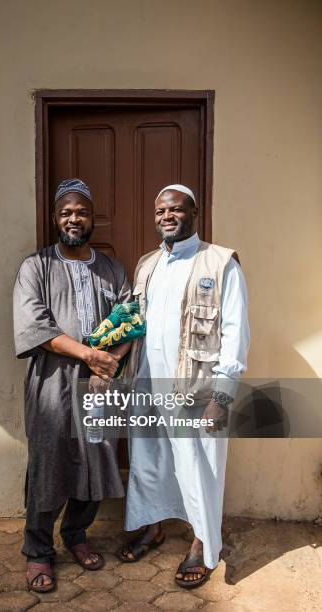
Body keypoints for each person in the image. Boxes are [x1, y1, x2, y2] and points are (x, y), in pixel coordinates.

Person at [120, 184, 250, 588]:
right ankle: (153, 527)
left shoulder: (220, 262)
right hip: (148, 384)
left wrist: (223, 397)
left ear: (194, 213)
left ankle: (201, 545)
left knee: (200, 470)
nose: (166, 217)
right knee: (150, 462)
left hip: (198, 390)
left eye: (175, 210)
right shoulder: (147, 265)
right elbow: (135, 324)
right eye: (160, 211)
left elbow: (236, 333)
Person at [13, 178, 132, 592]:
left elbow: (130, 321)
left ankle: (76, 536)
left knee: (97, 457)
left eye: (81, 211)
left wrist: (110, 363)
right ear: (54, 219)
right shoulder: (36, 267)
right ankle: (38, 551)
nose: (74, 218)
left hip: (100, 385)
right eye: (65, 212)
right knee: (49, 461)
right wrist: (87, 355)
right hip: (51, 383)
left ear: (91, 217)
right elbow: (34, 325)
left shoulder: (111, 268)